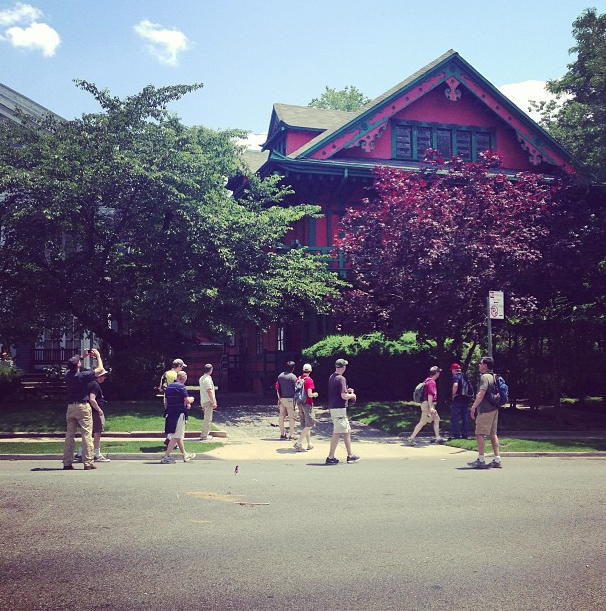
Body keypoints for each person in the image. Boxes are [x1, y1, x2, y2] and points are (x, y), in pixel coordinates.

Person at [62, 349, 105, 471]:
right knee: (86, 434)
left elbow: (74, 365)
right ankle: (88, 462)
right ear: (78, 365)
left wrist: (82, 357)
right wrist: (98, 356)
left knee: (69, 435)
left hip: (70, 407)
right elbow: (100, 369)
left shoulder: (68, 375)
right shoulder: (83, 376)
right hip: (82, 406)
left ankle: (67, 463)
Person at [468, 356, 502, 469]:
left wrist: (473, 407)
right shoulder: (494, 376)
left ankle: (481, 460)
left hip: (485, 410)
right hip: (494, 409)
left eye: (481, 363)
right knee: (493, 434)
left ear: (485, 365)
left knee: (480, 433)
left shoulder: (484, 377)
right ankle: (497, 459)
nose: (479, 365)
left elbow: (481, 394)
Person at [325, 358, 359, 464]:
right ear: (343, 367)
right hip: (339, 409)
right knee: (338, 432)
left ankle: (350, 455)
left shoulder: (332, 377)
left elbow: (340, 392)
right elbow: (344, 396)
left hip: (335, 408)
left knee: (347, 431)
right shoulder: (341, 378)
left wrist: (347, 391)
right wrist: (352, 395)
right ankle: (330, 457)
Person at [75, 368, 110, 463]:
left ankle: (80, 453)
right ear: (99, 376)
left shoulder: (90, 384)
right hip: (94, 412)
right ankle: (97, 454)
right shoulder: (95, 385)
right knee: (97, 432)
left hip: (89, 411)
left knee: (88, 434)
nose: (105, 378)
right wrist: (99, 410)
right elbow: (92, 399)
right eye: (104, 376)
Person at [162, 370, 196, 463]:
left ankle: (185, 455)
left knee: (178, 435)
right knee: (176, 436)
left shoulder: (169, 387)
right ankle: (166, 456)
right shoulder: (181, 386)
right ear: (183, 378)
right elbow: (188, 400)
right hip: (179, 414)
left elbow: (168, 401)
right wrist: (192, 399)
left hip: (170, 413)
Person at [408, 365, 446, 446]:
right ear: (436, 373)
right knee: (423, 421)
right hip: (428, 405)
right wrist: (431, 407)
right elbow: (430, 395)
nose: (439, 373)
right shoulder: (432, 382)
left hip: (427, 404)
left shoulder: (427, 380)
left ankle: (438, 437)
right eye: (438, 372)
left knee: (436, 419)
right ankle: (411, 438)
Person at [159, 358, 187, 445]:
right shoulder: (177, 375)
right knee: (177, 421)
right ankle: (172, 440)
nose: (182, 368)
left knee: (170, 419)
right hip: (176, 401)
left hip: (166, 399)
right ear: (179, 366)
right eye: (182, 367)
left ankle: (169, 438)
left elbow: (160, 388)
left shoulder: (165, 373)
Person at [293, 363, 318, 452]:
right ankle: (299, 442)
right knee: (310, 423)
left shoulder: (298, 379)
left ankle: (309, 443)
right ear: (310, 371)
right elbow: (309, 394)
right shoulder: (309, 380)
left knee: (305, 425)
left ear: (303, 370)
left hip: (300, 403)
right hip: (307, 404)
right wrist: (315, 394)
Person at [275, 361, 297, 440]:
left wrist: (279, 398)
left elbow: (277, 388)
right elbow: (297, 388)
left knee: (281, 416)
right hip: (291, 399)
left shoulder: (280, 376)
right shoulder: (293, 377)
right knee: (291, 417)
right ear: (293, 368)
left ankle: (282, 434)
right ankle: (291, 435)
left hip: (282, 399)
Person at [450, 363, 471, 440]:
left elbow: (455, 385)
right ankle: (465, 435)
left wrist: (453, 394)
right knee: (465, 418)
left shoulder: (456, 376)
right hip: (466, 400)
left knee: (455, 418)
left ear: (454, 370)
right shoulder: (464, 376)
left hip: (457, 399)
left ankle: (456, 435)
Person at [198, 363, 217, 441]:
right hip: (208, 400)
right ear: (211, 370)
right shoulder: (208, 379)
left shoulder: (201, 378)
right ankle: (204, 435)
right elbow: (209, 391)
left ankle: (204, 434)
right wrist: (213, 402)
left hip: (203, 400)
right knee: (208, 418)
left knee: (206, 418)